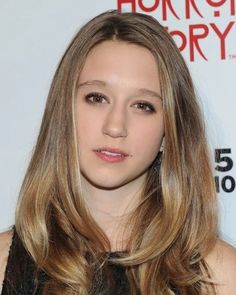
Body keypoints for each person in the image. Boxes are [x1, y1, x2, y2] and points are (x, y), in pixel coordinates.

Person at [0, 9, 236, 295]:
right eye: (97, 98)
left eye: (142, 106)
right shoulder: (3, 263)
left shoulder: (220, 275)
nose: (115, 126)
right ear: (64, 111)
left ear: (169, 131)